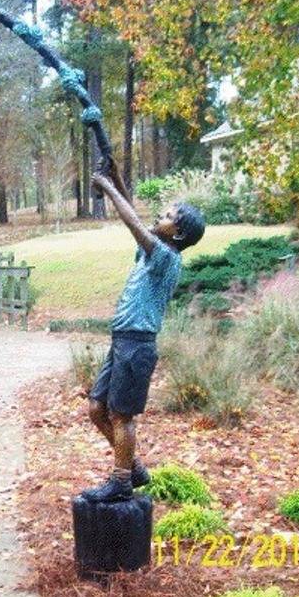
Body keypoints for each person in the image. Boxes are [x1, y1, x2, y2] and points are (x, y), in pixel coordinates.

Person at [82, 168, 205, 502]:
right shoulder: (153, 250)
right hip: (122, 340)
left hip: (137, 345)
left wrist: (107, 186)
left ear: (177, 235)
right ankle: (132, 465)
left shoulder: (166, 256)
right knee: (97, 408)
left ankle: (121, 481)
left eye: (167, 217)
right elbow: (138, 219)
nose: (158, 217)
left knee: (121, 415)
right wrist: (116, 174)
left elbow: (132, 223)